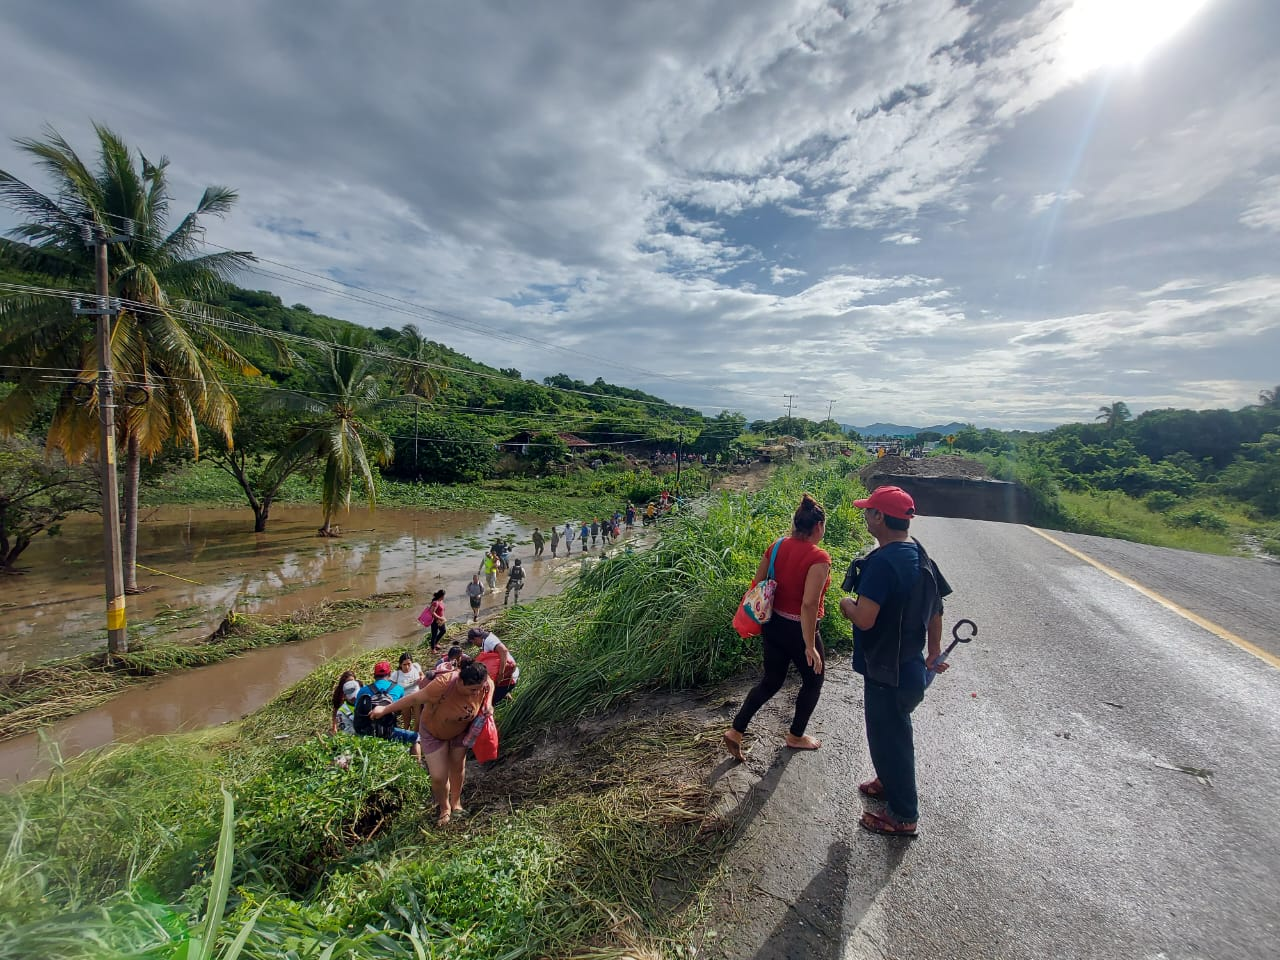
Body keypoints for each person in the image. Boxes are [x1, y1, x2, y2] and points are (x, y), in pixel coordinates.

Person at [838, 485, 951, 838]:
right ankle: (887, 783)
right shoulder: (919, 554)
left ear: (880, 518)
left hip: (887, 670)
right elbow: (936, 610)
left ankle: (903, 816)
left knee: (893, 741)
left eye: (869, 511)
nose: (865, 515)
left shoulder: (883, 563)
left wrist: (845, 604)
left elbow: (865, 618)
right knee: (888, 735)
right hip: (910, 666)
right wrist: (933, 652)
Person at [723, 493, 831, 761]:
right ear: (818, 527)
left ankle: (736, 730)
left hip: (773, 626)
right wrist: (809, 645)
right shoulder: (819, 557)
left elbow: (757, 583)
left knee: (771, 680)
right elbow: (808, 605)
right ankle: (796, 735)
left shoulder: (777, 546)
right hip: (799, 631)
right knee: (814, 680)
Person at [371, 659, 494, 826]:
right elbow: (415, 699)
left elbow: (490, 684)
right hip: (433, 732)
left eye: (478, 690)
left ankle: (456, 803)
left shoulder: (481, 682)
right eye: (472, 690)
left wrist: (487, 702)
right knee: (438, 776)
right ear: (460, 681)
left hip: (460, 731)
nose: (476, 693)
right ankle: (444, 808)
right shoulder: (443, 684)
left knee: (457, 767)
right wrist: (384, 709)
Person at [355, 661, 416, 745]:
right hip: (390, 731)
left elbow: (357, 711)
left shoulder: (362, 691)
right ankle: (417, 758)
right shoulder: (399, 689)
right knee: (416, 738)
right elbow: (400, 710)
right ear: (390, 674)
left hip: (368, 732)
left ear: (374, 675)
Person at [466, 626, 520, 704]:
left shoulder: (489, 641)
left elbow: (503, 651)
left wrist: (501, 674)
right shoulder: (486, 639)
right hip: (504, 675)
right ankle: (510, 701)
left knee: (489, 702)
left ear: (476, 638)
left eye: (473, 642)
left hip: (508, 676)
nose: (474, 644)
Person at [390, 651, 424, 731]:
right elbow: (391, 687)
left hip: (416, 697)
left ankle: (415, 737)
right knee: (406, 721)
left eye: (409, 664)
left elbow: (421, 674)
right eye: (404, 665)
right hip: (404, 699)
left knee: (418, 720)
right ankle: (407, 736)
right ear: (400, 665)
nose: (407, 667)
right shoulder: (396, 674)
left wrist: (422, 677)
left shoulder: (416, 666)